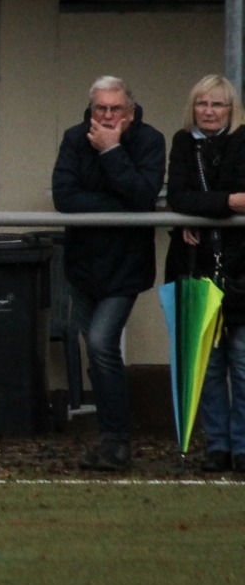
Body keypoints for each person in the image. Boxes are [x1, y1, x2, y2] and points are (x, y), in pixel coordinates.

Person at [52, 75, 168, 472]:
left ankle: (117, 440)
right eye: (100, 108)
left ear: (130, 112)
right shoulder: (73, 138)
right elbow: (64, 198)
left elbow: (143, 196)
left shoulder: (150, 141)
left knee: (102, 344)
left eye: (115, 108)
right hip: (82, 266)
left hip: (126, 267)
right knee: (98, 353)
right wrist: (119, 202)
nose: (106, 115)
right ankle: (110, 442)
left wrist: (112, 151)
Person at [163, 74, 245, 471]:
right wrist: (222, 204)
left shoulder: (243, 142)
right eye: (202, 103)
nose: (208, 111)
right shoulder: (183, 142)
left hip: (240, 267)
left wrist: (201, 208)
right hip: (196, 268)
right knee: (208, 366)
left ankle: (242, 447)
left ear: (232, 110)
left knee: (242, 364)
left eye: (217, 104)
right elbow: (179, 196)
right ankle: (217, 447)